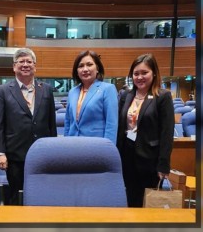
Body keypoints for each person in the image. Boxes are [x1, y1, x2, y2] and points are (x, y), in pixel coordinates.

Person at [0, 48, 57, 205]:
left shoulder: (46, 89)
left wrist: (54, 150)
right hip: (15, 155)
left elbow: (51, 123)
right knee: (16, 196)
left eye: (29, 61)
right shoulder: (2, 91)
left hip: (43, 154)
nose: (25, 64)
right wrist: (0, 152)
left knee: (42, 194)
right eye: (21, 61)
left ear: (35, 66)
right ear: (14, 66)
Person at [117, 53, 174, 207]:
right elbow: (120, 127)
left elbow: (167, 133)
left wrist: (164, 164)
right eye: (136, 74)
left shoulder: (163, 97)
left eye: (144, 73)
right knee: (131, 199)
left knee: (149, 203)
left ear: (154, 73)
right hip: (127, 158)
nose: (139, 77)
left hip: (150, 160)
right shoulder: (126, 96)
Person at [64, 50, 118, 145]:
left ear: (97, 68)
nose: (85, 69)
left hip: (96, 147)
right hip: (72, 145)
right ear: (77, 71)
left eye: (89, 64)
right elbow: (68, 122)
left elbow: (111, 125)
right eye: (81, 66)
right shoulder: (72, 92)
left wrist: (109, 149)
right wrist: (65, 145)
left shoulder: (107, 89)